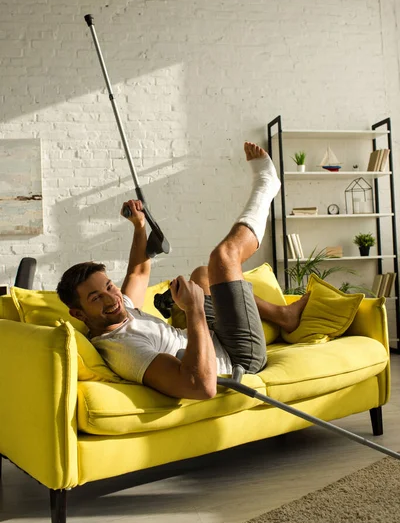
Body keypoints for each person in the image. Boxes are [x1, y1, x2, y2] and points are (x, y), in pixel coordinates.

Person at [57, 143, 309, 400]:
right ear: (78, 313)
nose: (111, 298)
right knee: (222, 257)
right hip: (236, 356)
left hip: (211, 335)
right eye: (96, 298)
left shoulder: (120, 311)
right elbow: (200, 387)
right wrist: (194, 309)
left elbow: (138, 273)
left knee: (203, 274)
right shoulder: (123, 348)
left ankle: (284, 315)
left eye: (109, 287)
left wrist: (139, 225)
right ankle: (267, 186)